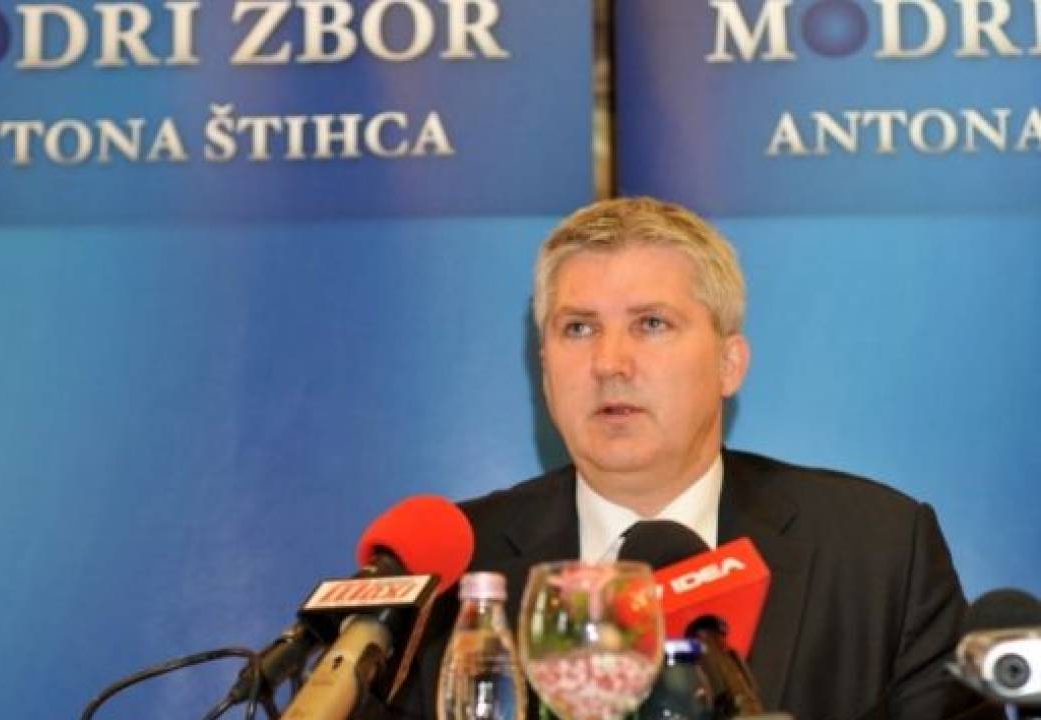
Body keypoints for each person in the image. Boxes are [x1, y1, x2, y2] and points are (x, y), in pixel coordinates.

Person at [395, 197, 990, 720]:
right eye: (578, 328)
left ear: (730, 364)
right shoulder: (447, 574)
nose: (609, 363)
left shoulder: (879, 552)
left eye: (651, 323)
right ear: (544, 368)